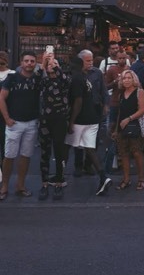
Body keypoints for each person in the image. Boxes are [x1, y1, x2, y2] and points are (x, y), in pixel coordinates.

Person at [65, 56, 112, 196]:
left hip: (81, 119)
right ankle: (103, 177)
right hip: (92, 118)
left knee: (65, 147)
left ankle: (59, 177)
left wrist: (71, 121)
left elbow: (78, 102)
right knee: (90, 149)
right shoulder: (85, 78)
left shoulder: (77, 78)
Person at [0, 51, 41, 200]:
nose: (29, 63)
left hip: (31, 123)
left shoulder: (37, 79)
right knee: (9, 156)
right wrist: (7, 118)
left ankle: (20, 185)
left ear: (35, 63)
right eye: (26, 61)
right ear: (21, 63)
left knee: (26, 156)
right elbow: (1, 98)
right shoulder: (11, 78)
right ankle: (4, 186)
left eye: (32, 61)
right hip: (14, 123)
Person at [38, 52, 70, 201]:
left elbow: (64, 79)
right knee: (45, 152)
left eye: (54, 64)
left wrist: (56, 66)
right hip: (45, 120)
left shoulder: (63, 80)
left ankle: (59, 181)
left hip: (60, 120)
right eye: (50, 64)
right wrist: (44, 64)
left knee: (59, 152)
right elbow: (38, 79)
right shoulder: (43, 80)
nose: (51, 66)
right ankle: (44, 183)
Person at [74, 50, 108, 177]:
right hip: (80, 108)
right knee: (78, 138)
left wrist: (105, 104)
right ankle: (78, 165)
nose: (91, 63)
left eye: (91, 60)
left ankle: (88, 165)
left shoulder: (97, 73)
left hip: (95, 107)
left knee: (94, 138)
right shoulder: (77, 74)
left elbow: (103, 89)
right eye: (88, 60)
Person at [113, 69, 144, 190]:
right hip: (122, 127)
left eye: (129, 78)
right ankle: (126, 179)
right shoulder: (121, 94)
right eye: (124, 78)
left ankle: (141, 178)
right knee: (124, 154)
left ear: (134, 79)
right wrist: (116, 130)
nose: (126, 80)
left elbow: (142, 110)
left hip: (135, 126)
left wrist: (129, 119)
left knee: (137, 153)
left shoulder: (139, 92)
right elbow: (119, 113)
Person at [104, 51, 129, 173]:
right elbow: (106, 86)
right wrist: (115, 82)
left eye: (124, 58)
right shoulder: (112, 70)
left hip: (126, 103)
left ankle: (122, 157)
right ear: (116, 59)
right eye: (120, 58)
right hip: (114, 103)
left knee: (124, 131)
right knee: (113, 129)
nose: (122, 60)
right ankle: (113, 158)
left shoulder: (129, 70)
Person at [0, 51, 15, 169]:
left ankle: (3, 168)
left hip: (8, 111)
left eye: (3, 59)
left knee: (5, 142)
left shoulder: (13, 74)